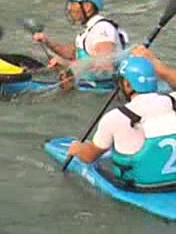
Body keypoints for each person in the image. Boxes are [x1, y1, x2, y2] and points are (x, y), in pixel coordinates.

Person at [65, 55, 176, 189]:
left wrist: (77, 148)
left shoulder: (114, 117)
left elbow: (90, 156)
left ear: (128, 85)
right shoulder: (173, 100)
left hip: (143, 184)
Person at [31, 0, 128, 88]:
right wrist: (46, 41)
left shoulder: (102, 29)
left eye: (73, 3)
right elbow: (72, 54)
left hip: (100, 92)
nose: (69, 8)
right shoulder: (91, 29)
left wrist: (66, 65)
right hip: (87, 84)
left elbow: (105, 68)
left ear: (87, 6)